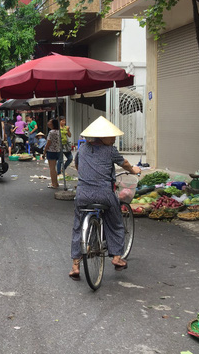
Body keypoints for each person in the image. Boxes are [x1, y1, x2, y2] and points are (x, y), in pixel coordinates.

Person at [69, 116, 141, 280]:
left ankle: (75, 265)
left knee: (78, 226)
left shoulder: (82, 149)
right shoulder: (111, 151)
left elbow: (78, 166)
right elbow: (126, 164)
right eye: (112, 136)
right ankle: (116, 257)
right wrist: (135, 170)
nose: (114, 139)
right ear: (102, 137)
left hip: (82, 194)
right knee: (115, 223)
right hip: (104, 194)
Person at [44, 118, 61, 189]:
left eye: (49, 122)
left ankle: (54, 184)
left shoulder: (51, 132)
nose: (48, 123)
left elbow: (48, 142)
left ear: (53, 124)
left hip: (51, 151)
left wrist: (44, 150)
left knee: (52, 168)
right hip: (57, 151)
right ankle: (56, 183)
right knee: (54, 168)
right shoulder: (58, 131)